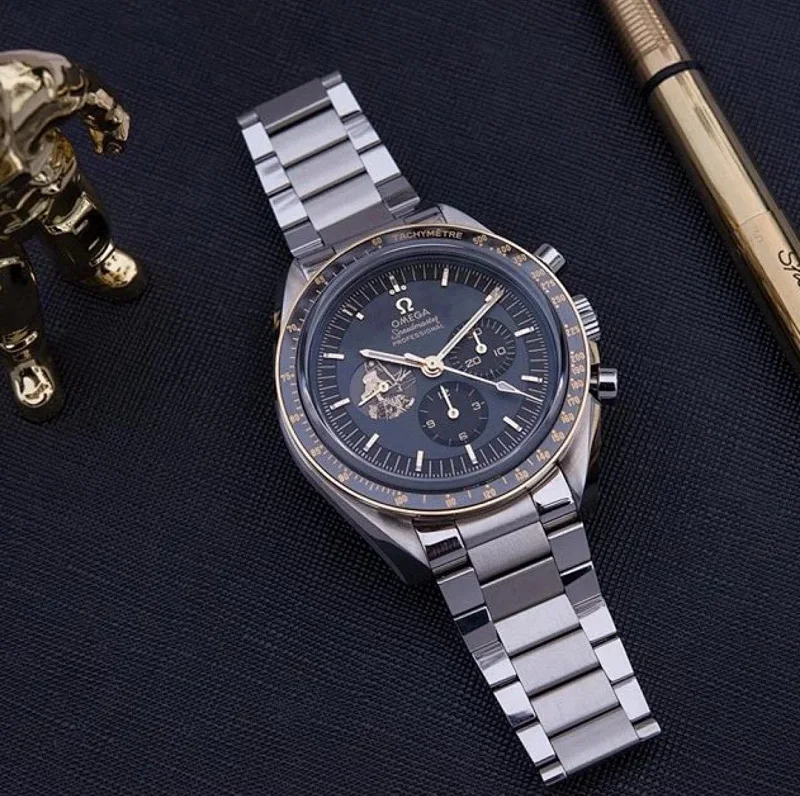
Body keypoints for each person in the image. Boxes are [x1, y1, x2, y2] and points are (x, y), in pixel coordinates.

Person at [0, 50, 146, 421]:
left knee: (83, 227)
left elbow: (81, 87)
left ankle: (92, 262)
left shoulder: (26, 80)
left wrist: (109, 121)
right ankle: (24, 352)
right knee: (8, 294)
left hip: (53, 185)